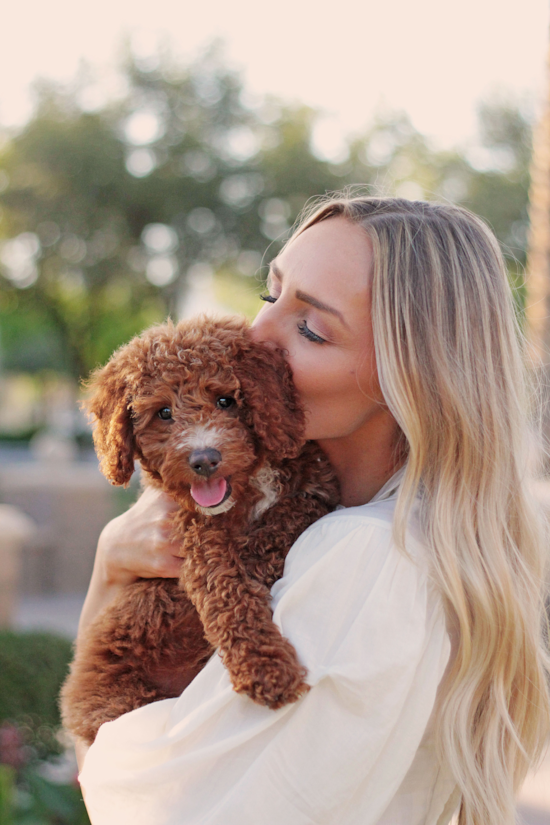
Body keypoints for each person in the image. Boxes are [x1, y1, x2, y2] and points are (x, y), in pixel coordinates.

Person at [75, 196, 550, 825]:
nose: (257, 337)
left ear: (407, 377)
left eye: (311, 329)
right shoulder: (387, 534)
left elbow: (137, 796)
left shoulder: (367, 558)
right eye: (271, 295)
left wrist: (105, 581)